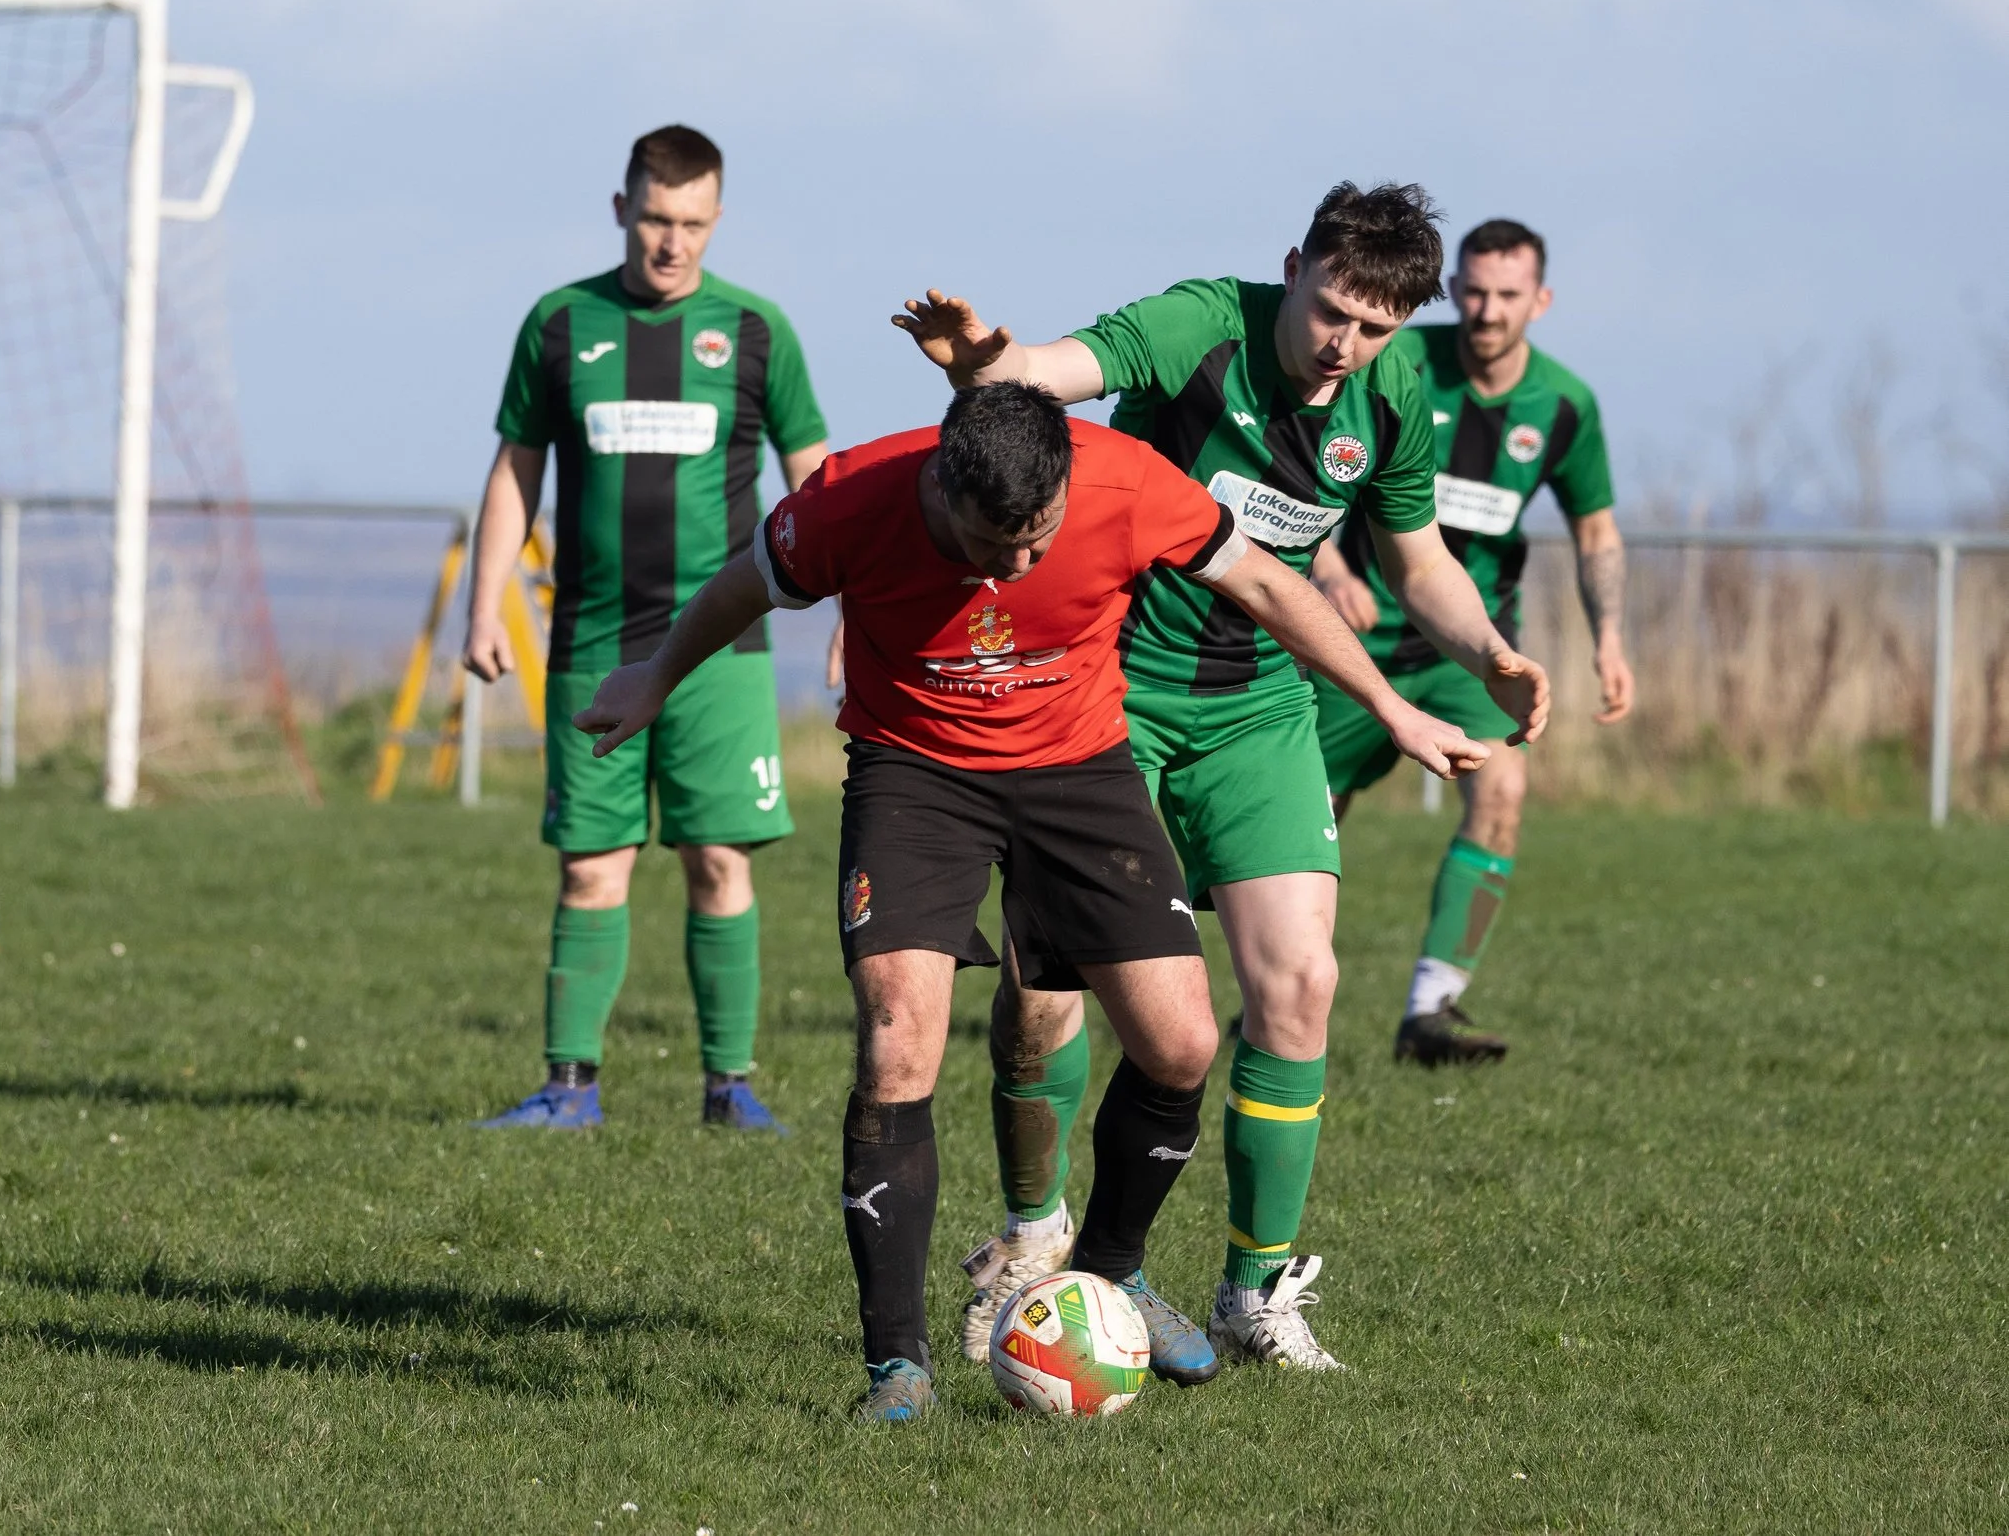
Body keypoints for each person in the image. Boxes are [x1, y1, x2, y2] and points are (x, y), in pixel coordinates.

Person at [572, 380, 1496, 1419]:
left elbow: (1272, 589)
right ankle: (897, 1365)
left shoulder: (1125, 481)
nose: (1013, 566)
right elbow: (742, 587)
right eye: (987, 544)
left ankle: (1111, 1273)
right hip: (916, 774)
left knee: (1182, 1041)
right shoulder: (848, 500)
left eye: (1036, 541)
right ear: (940, 482)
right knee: (895, 1044)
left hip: (1079, 770)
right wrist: (652, 677)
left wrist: (1388, 704)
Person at [893, 182, 1552, 1372]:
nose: (1342, 346)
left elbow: (1415, 557)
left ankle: (1256, 1289)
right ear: (1292, 267)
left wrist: (1489, 652)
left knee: (1300, 980)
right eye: (1332, 311)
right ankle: (1037, 1235)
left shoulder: (1392, 393)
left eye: (1374, 328)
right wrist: (984, 358)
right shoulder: (1200, 323)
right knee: (1049, 996)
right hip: (1103, 699)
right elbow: (1054, 368)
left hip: (1258, 707)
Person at [467, 125, 830, 1131]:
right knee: (591, 864)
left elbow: (819, 482)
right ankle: (566, 1088)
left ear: (717, 222)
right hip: (592, 638)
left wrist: (856, 614)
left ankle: (730, 1089)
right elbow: (516, 468)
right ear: (621, 208)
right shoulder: (559, 323)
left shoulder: (758, 332)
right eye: (657, 219)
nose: (673, 242)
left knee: (719, 859)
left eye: (694, 225)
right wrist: (485, 598)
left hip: (724, 650)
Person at [1308, 217, 1634, 1067]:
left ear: (1542, 300)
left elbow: (1596, 533)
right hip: (1360, 642)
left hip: (1471, 652)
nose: (1487, 312)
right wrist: (1328, 566)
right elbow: (1311, 455)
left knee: (1504, 793)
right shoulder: (1401, 361)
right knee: (1310, 827)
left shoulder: (1565, 404)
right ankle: (1283, 992)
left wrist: (1610, 640)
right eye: (1475, 291)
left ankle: (1431, 1013)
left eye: (1508, 295)